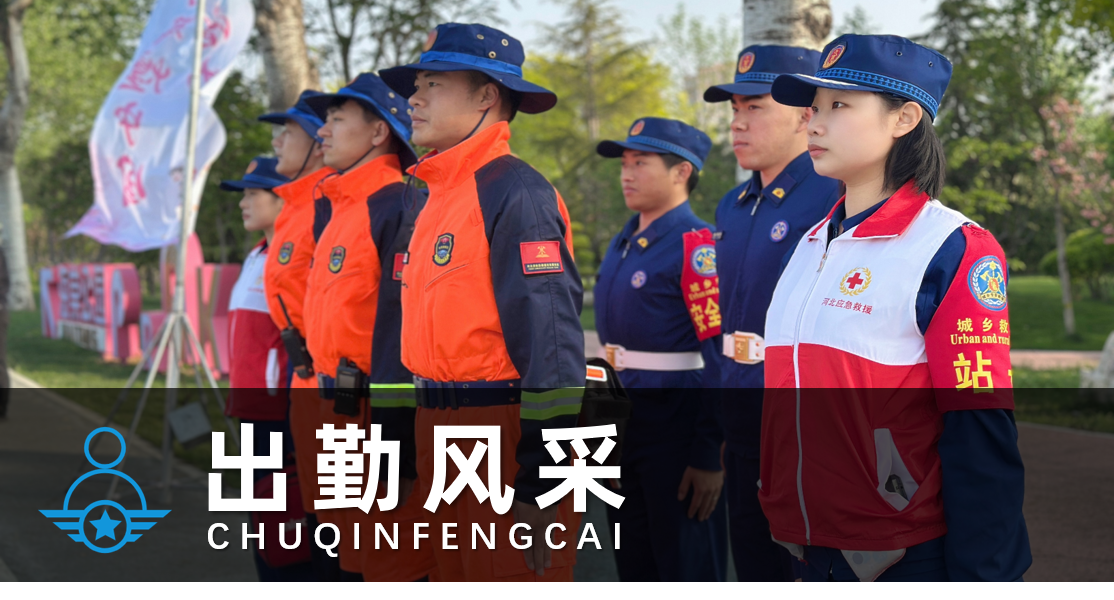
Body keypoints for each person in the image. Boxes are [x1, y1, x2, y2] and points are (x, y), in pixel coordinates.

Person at [760, 34, 1032, 582]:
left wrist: (987, 572)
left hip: (902, 555)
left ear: (904, 118)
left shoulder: (952, 248)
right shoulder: (809, 245)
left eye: (839, 105)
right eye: (814, 107)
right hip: (808, 549)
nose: (814, 123)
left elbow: (979, 427)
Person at [380, 22, 585, 582]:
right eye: (416, 86)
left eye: (433, 84)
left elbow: (552, 345)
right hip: (439, 433)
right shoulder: (435, 196)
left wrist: (541, 483)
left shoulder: (517, 193)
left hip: (501, 437)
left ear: (486, 96)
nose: (414, 99)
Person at [702, 45, 841, 581]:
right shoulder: (732, 205)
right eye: (734, 109)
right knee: (753, 561)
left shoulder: (834, 197)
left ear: (806, 115)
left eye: (755, 107)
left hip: (804, 425)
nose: (737, 123)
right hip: (740, 415)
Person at [301, 73, 434, 583]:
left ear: (379, 132)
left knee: (390, 563)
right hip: (334, 416)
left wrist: (395, 445)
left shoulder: (396, 206)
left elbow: (401, 332)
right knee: (349, 563)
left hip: (374, 421)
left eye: (337, 119)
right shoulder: (339, 206)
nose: (323, 131)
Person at [593, 117, 727, 582]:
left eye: (640, 163)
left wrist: (707, 453)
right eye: (624, 164)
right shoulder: (624, 241)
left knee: (684, 562)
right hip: (622, 419)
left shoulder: (698, 246)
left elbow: (718, 356)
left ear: (681, 172)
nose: (626, 174)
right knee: (633, 559)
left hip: (675, 421)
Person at [219, 157, 315, 582]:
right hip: (251, 408)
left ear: (283, 198)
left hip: (281, 411)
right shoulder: (256, 255)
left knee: (287, 520)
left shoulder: (296, 256)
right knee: (262, 518)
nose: (243, 202)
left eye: (253, 193)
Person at [257, 90, 338, 581]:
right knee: (309, 524)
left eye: (288, 132)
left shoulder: (327, 207)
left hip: (336, 389)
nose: (276, 142)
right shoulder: (295, 207)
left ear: (316, 143)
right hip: (304, 380)